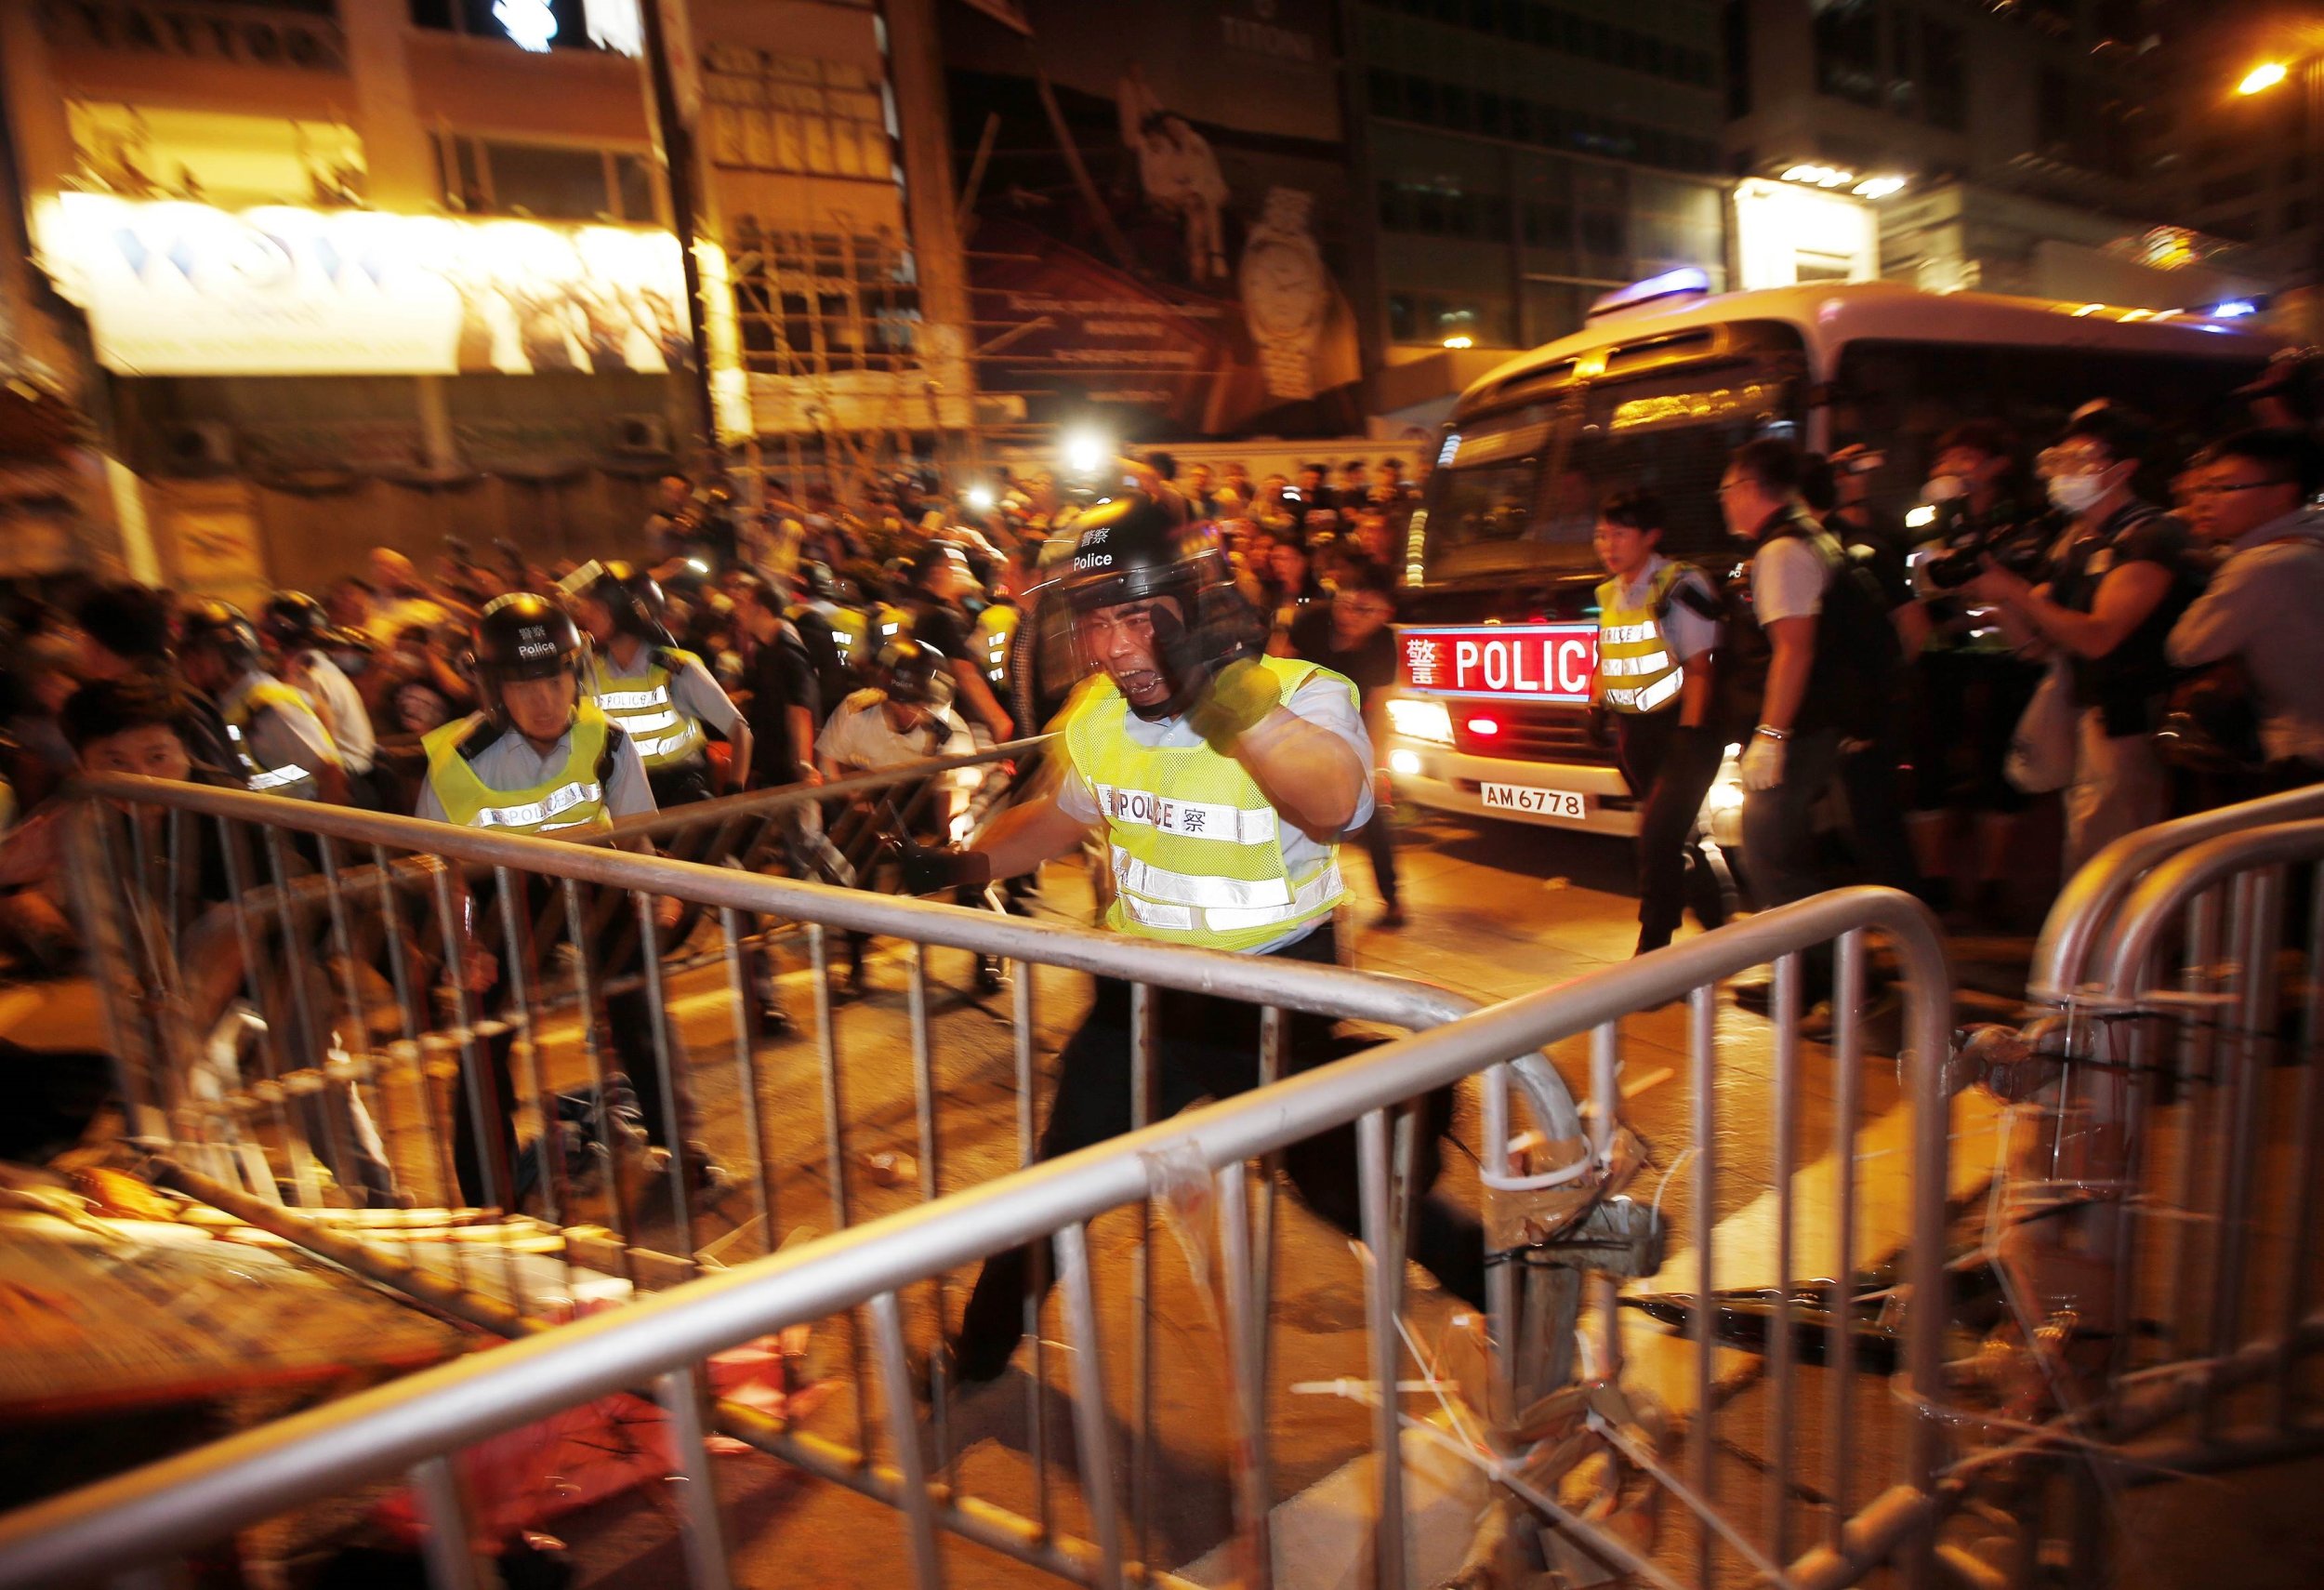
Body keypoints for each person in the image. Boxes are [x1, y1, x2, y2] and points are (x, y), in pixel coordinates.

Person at [900, 494, 1486, 1390]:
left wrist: (1231, 694)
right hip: (1143, 998)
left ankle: (1512, 1291)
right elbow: (1059, 817)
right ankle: (976, 1355)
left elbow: (1338, 802)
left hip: (1277, 995)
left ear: (1197, 602)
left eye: (1135, 615)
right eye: (1093, 620)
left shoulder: (1299, 695)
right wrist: (963, 863)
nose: (1111, 647)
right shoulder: (1098, 714)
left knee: (1346, 1188)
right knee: (1058, 1185)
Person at [416, 593, 720, 1205]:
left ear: (573, 673)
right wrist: (465, 945)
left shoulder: (606, 741)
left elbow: (636, 837)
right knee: (485, 1036)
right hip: (499, 889)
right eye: (524, 685)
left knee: (636, 1002)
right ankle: (487, 1195)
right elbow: (439, 869)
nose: (545, 700)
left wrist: (655, 893)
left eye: (555, 678)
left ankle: (674, 1148)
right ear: (496, 688)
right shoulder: (456, 764)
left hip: (586, 876)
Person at [1970, 407, 2206, 870]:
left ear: (2124, 468)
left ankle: (2122, 941)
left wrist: (2017, 592)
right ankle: (2093, 940)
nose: (2062, 472)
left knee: (2114, 850)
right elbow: (2042, 645)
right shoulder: (2080, 540)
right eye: (2059, 459)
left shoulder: (2152, 537)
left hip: (2129, 716)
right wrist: (1998, 602)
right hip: (2085, 708)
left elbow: (2100, 638)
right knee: (2086, 839)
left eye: (2080, 459)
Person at [1719, 438, 1892, 1014]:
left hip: (1805, 725)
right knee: (1782, 852)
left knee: (1771, 854)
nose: (1724, 503)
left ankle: (1839, 977)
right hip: (1820, 720)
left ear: (1747, 488)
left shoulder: (1783, 551)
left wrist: (1771, 739)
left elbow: (1794, 650)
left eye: (1726, 490)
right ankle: (1812, 977)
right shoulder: (1807, 537)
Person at [1905, 420, 2049, 925]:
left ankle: (1991, 885)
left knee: (2000, 770)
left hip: (2007, 662)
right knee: (1929, 770)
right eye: (1946, 458)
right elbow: (1918, 581)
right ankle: (1934, 881)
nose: (1951, 468)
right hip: (1941, 659)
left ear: (1997, 465)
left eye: (1965, 456)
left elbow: (2026, 586)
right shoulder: (1929, 516)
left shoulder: (2027, 519)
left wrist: (1981, 594)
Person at [1589, 489, 1725, 956]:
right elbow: (1609, 655)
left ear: (1651, 536)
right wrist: (1595, 708)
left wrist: (1689, 737)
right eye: (1602, 535)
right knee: (1675, 836)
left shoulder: (1680, 585)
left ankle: (1656, 949)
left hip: (1683, 733)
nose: (1608, 545)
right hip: (1636, 737)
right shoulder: (1611, 592)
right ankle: (1720, 929)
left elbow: (1701, 669)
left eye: (1620, 534)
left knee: (1656, 839)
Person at [2165, 427, 2324, 788]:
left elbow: (2187, 647)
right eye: (2204, 489)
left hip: (2305, 752)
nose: (2206, 502)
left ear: (2282, 493)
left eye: (2225, 488)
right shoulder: (2312, 542)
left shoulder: (2263, 565)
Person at [569, 561, 750, 809]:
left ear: (624, 612)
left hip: (680, 793)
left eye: (597, 607)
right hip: (623, 794)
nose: (586, 614)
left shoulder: (673, 668)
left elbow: (740, 731)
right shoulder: (589, 670)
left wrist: (734, 793)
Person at [1284, 557, 1406, 926]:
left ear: (1385, 613)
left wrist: (1375, 765)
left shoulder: (1384, 643)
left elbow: (1380, 708)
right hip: (1296, 726)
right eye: (1344, 603)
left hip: (1350, 733)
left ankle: (1393, 899)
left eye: (1363, 610)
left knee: (1372, 816)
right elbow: (1276, 672)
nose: (1348, 615)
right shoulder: (1311, 624)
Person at [177, 601, 352, 806]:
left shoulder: (268, 705)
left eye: (200, 651)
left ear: (232, 650)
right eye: (187, 653)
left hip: (302, 825)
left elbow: (330, 773)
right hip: (274, 824)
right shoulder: (228, 701)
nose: (191, 661)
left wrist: (326, 833)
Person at [261, 591, 381, 807]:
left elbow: (321, 756)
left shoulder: (309, 678)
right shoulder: (319, 667)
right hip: (355, 780)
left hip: (346, 789)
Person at [900, 541, 1016, 745]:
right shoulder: (942, 618)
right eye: (955, 566)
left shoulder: (916, 614)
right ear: (937, 573)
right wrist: (998, 720)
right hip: (953, 725)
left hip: (924, 724)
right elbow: (964, 673)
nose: (964, 572)